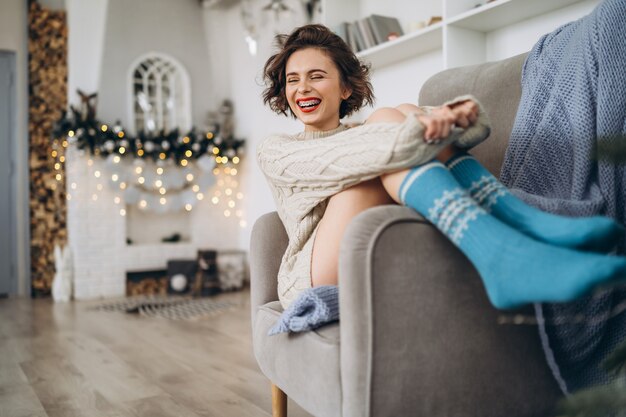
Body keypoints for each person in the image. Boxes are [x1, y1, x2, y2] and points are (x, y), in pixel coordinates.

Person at [257, 24, 626, 313]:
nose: (302, 88)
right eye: (293, 79)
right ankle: (512, 227)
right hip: (313, 275)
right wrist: (427, 126)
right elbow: (367, 151)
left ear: (345, 89)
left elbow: (477, 129)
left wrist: (456, 116)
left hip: (372, 249)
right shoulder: (277, 150)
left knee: (394, 115)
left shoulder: (369, 131)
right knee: (390, 125)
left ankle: (512, 237)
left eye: (316, 76)